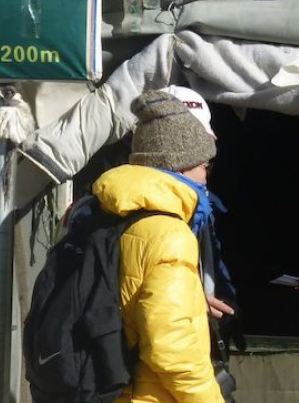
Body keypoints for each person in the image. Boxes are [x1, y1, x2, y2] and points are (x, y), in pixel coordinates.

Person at [88, 89, 225, 403]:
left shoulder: (95, 212)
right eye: (205, 167)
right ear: (179, 168)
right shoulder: (169, 235)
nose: (206, 179)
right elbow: (172, 348)